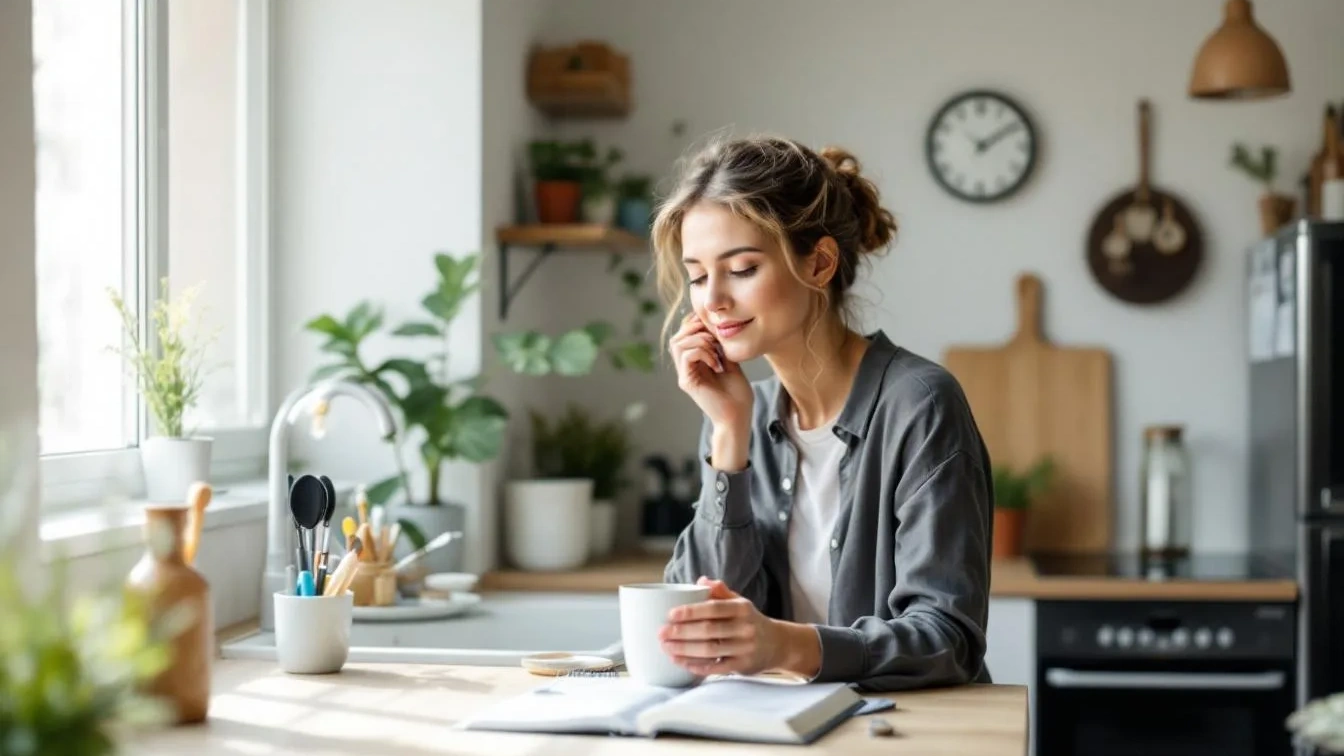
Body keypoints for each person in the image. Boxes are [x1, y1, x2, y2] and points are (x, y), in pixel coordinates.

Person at [651, 135, 994, 692]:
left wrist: (783, 643)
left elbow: (946, 638)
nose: (712, 299)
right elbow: (699, 617)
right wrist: (729, 434)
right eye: (696, 275)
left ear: (820, 262)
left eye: (740, 269)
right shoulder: (741, 414)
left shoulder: (921, 405)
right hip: (784, 727)